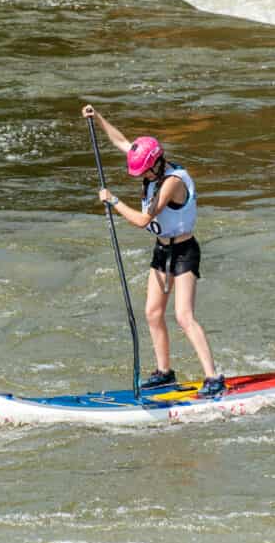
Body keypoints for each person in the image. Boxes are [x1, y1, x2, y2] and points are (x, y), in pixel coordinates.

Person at [82, 104, 223, 397]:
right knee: (152, 313)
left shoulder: (171, 183)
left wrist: (113, 201)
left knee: (184, 315)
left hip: (184, 252)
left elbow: (143, 220)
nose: (140, 177)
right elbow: (123, 142)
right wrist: (97, 118)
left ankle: (213, 377)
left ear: (156, 164)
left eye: (143, 172)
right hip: (162, 252)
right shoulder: (150, 165)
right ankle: (164, 373)